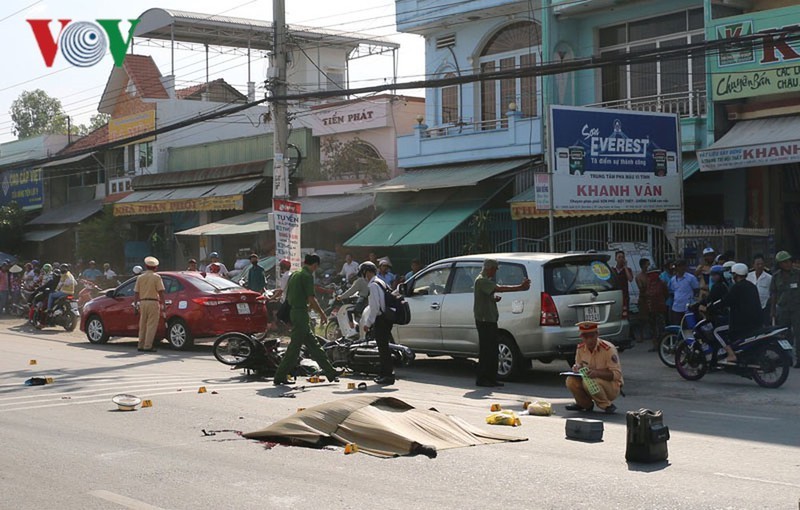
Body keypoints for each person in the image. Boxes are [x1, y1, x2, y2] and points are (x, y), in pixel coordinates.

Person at [272, 253, 342, 385]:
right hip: (300, 314)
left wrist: (308, 307)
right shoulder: (307, 276)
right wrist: (322, 313)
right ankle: (280, 375)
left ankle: (330, 372)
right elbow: (311, 298)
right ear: (315, 265)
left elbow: (293, 296)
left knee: (314, 345)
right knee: (294, 348)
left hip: (295, 312)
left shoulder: (295, 274)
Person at [473, 258, 531, 388]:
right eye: (494, 269)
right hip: (484, 320)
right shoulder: (481, 280)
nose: (495, 272)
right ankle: (483, 378)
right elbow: (499, 288)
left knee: (493, 350)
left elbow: (488, 294)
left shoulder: (485, 281)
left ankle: (491, 378)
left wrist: (493, 299)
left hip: (490, 319)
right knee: (486, 351)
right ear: (489, 268)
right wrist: (520, 287)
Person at [706, 263, 762, 364]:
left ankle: (731, 354)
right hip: (755, 321)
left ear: (736, 275)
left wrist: (712, 307)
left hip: (741, 322)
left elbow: (725, 301)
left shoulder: (737, 287)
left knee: (717, 331)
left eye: (732, 274)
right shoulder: (752, 286)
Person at [565, 321, 624, 414]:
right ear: (581, 337)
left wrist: (597, 373)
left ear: (597, 334)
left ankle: (606, 405)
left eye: (591, 336)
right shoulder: (580, 349)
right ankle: (584, 404)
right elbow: (579, 365)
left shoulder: (608, 349)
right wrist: (577, 368)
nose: (589, 340)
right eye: (585, 337)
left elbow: (617, 374)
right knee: (570, 380)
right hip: (589, 381)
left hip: (611, 386)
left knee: (589, 382)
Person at [361, 261, 403, 385]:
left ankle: (388, 375)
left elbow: (375, 307)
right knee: (384, 347)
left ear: (367, 272)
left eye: (363, 273)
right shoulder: (381, 282)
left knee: (383, 348)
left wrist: (368, 323)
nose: (364, 276)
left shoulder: (373, 285)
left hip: (381, 319)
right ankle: (384, 374)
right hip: (387, 318)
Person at [770, 250, 800, 368]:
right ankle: (786, 358)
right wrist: (772, 310)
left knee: (798, 333)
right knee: (784, 335)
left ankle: (799, 359)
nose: (788, 264)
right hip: (783, 309)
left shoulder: (797, 274)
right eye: (784, 262)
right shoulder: (776, 276)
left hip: (797, 308)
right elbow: (773, 294)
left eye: (788, 261)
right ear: (779, 264)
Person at [133, 256, 165, 352]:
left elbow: (136, 292)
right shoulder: (156, 277)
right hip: (153, 302)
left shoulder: (140, 277)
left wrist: (135, 305)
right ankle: (148, 346)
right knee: (151, 325)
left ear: (146, 266)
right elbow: (161, 291)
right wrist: (163, 304)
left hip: (142, 302)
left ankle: (140, 344)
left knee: (142, 324)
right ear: (155, 267)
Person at [669, 260, 699, 325]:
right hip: (676, 307)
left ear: (684, 267)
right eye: (677, 266)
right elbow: (672, 291)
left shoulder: (691, 278)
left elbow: (696, 289)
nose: (678, 268)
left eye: (680, 266)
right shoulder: (673, 279)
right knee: (677, 326)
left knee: (689, 326)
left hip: (688, 308)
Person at [746, 254, 772, 326]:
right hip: (750, 307)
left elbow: (772, 293)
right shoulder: (748, 276)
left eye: (761, 264)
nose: (760, 266)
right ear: (753, 265)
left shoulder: (769, 278)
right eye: (757, 264)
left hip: (764, 307)